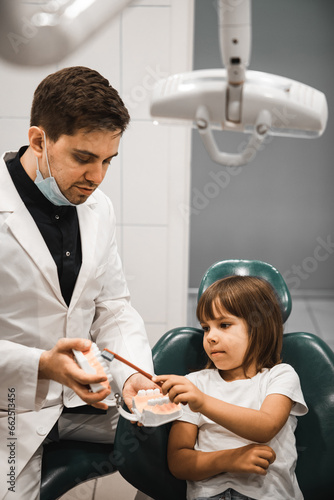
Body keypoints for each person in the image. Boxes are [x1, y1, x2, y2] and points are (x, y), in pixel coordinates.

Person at [0, 66, 156, 499]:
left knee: (183, 435)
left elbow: (114, 307)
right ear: (39, 141)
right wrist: (41, 365)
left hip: (83, 404)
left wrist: (133, 379)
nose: (97, 177)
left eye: (108, 161)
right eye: (84, 158)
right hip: (10, 407)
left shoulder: (97, 208)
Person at [154, 275, 308, 500]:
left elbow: (265, 426)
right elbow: (179, 462)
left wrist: (203, 403)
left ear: (259, 327)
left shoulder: (280, 376)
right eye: (206, 328)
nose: (211, 337)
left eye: (224, 325)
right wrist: (230, 459)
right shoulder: (195, 384)